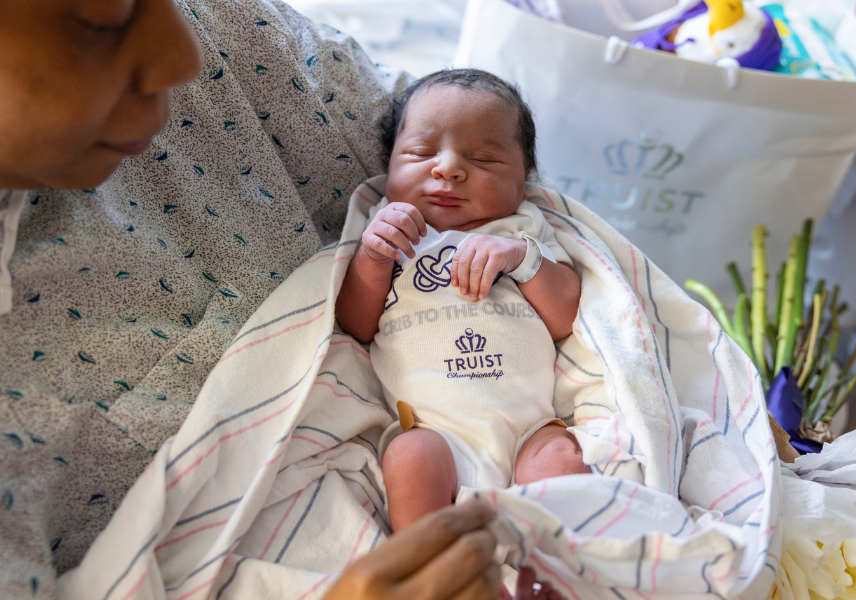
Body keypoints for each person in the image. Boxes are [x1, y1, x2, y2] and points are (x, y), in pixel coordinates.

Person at [1, 1, 564, 598]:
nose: (184, 56)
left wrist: (519, 240)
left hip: (526, 420)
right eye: (101, 16)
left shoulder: (229, 37)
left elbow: (459, 117)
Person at [335, 70, 590, 532]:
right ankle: (429, 568)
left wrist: (522, 260)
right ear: (388, 164)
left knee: (561, 461)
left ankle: (556, 569)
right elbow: (355, 324)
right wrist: (372, 257)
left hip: (530, 431)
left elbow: (567, 317)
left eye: (484, 159)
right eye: (420, 153)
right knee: (408, 456)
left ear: (524, 178)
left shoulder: (522, 230)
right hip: (432, 430)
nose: (448, 169)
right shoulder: (386, 230)